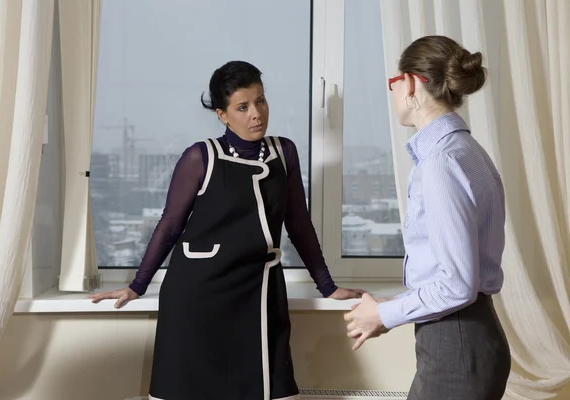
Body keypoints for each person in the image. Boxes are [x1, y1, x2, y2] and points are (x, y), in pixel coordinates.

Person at [89, 60, 363, 400]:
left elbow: (299, 223)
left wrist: (327, 285)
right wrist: (136, 286)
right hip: (198, 296)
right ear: (222, 114)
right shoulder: (200, 157)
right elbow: (170, 224)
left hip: (260, 292)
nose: (256, 113)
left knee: (269, 387)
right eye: (243, 107)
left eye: (261, 100)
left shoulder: (284, 152)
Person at [344, 36, 511, 399]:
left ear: (408, 83)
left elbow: (457, 284)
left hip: (456, 343)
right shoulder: (464, 150)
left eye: (393, 84)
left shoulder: (440, 163)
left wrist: (382, 316)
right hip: (464, 337)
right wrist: (392, 309)